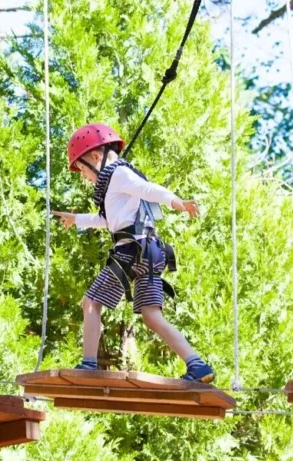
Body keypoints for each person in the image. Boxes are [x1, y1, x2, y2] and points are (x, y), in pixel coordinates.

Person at [53, 123, 214, 383]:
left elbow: (149, 190)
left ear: (96, 156)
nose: (84, 176)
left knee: (91, 302)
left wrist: (177, 203)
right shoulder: (114, 184)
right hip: (150, 251)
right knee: (151, 315)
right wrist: (77, 219)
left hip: (132, 250)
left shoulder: (119, 174)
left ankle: (89, 364)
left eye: (83, 169)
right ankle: (198, 366)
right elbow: (109, 221)